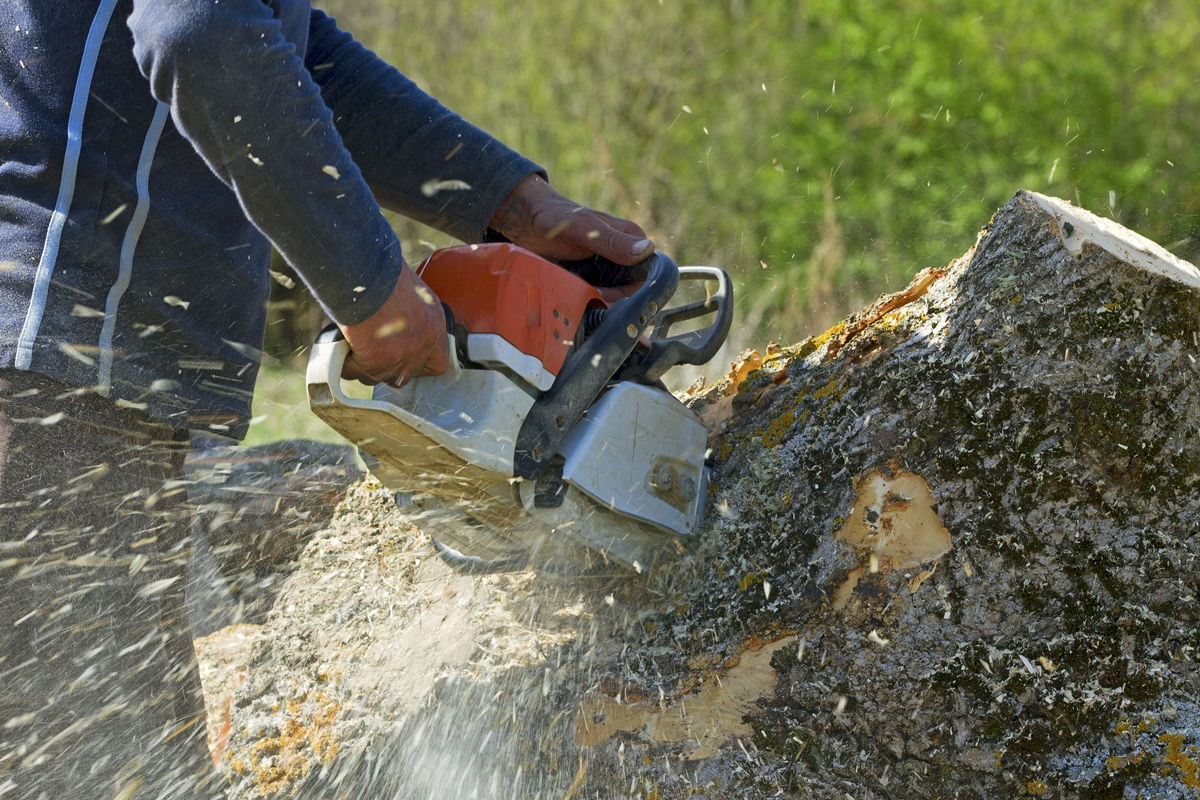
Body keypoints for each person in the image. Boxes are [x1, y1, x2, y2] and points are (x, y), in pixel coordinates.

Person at [0, 2, 653, 797]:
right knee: (107, 776)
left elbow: (283, 51)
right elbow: (202, 36)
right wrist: (367, 286)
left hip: (66, 379)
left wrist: (510, 203)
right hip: (46, 375)